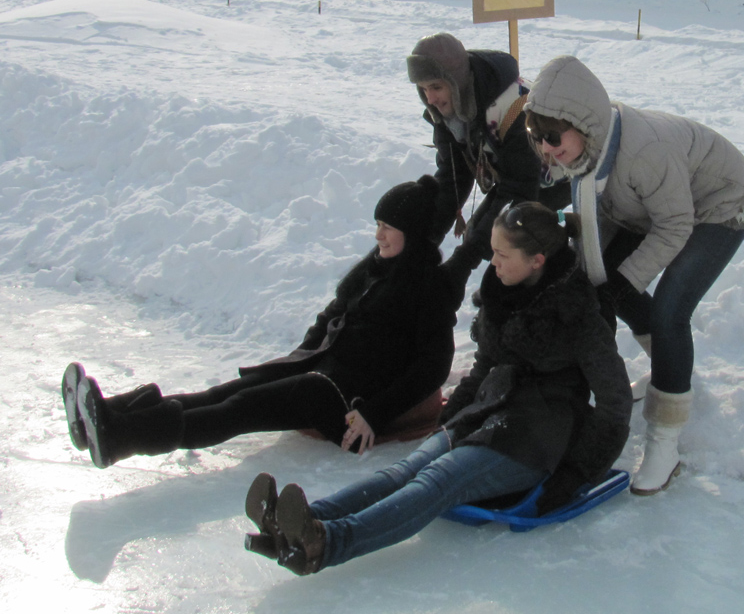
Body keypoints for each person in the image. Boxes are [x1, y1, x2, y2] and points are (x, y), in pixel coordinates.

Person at [244, 202, 632, 576]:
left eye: (501, 254)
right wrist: (450, 419)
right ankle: (304, 520)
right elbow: (485, 365)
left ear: (537, 260)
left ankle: (326, 544)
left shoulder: (577, 314)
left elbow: (615, 402)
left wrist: (575, 474)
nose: (491, 262)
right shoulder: (501, 291)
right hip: (488, 412)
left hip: (536, 434)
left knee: (437, 480)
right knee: (405, 470)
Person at [63, 175, 458, 470]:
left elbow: (433, 366)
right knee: (224, 392)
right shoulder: (376, 266)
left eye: (388, 227)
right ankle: (109, 416)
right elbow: (330, 316)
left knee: (239, 409)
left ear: (413, 233)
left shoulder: (428, 287)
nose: (379, 236)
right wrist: (301, 356)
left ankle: (121, 439)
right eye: (379, 225)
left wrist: (374, 412)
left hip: (347, 397)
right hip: (320, 369)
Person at [523, 56, 744, 495]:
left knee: (670, 310)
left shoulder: (642, 153)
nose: (546, 148)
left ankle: (665, 440)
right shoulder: (588, 148)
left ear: (583, 124)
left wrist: (620, 282)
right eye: (537, 136)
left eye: (553, 136)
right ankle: (669, 365)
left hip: (720, 204)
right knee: (602, 281)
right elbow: (601, 213)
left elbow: (675, 224)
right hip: (646, 205)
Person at [406, 33, 570, 294]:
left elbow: (519, 193)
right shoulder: (450, 111)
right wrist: (425, 241)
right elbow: (453, 179)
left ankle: (539, 298)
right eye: (423, 89)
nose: (430, 99)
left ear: (456, 80)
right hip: (515, 175)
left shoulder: (514, 108)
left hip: (563, 177)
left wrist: (464, 260)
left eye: (436, 87)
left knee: (510, 243)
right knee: (483, 235)